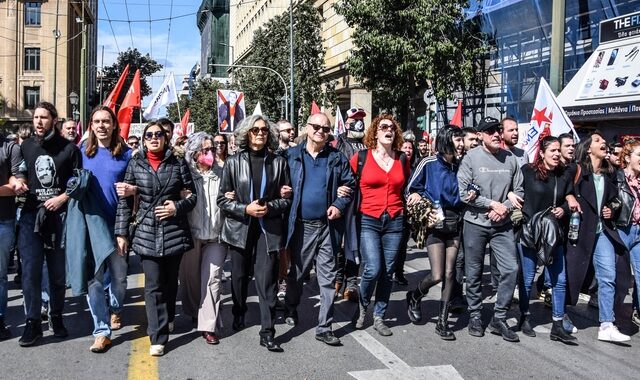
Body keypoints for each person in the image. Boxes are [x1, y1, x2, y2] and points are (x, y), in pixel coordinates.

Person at [115, 122, 197, 356]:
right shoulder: (135, 163)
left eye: (158, 134)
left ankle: (169, 315)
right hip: (146, 233)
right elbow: (125, 202)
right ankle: (157, 336)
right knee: (153, 285)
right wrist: (121, 233)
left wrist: (177, 207)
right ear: (143, 140)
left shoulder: (178, 162)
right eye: (149, 135)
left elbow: (192, 196)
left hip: (173, 232)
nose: (153, 138)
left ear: (165, 138)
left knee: (170, 283)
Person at [217, 115, 291, 352]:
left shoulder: (279, 162)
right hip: (240, 228)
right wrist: (244, 208)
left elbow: (286, 200)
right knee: (239, 277)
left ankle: (267, 331)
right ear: (246, 134)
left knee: (267, 279)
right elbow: (222, 199)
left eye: (264, 130)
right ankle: (239, 312)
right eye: (254, 130)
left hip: (267, 230)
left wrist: (270, 208)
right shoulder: (233, 162)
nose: (260, 133)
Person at [280, 113, 355, 346]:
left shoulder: (337, 158)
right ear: (307, 128)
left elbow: (349, 184)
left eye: (326, 128)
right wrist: (282, 191)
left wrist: (339, 204)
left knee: (327, 278)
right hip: (301, 226)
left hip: (328, 227)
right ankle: (291, 308)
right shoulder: (290, 156)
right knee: (297, 275)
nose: (321, 131)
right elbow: (277, 182)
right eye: (316, 126)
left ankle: (324, 327)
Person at [18, 101, 82, 347]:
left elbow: (79, 180)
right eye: (36, 117)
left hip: (60, 219)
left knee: (57, 276)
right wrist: (20, 181)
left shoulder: (69, 149)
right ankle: (32, 323)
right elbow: (21, 170)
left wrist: (63, 197)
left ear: (54, 119)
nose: (39, 122)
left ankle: (56, 317)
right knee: (31, 274)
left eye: (44, 117)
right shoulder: (26, 146)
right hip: (30, 217)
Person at [457, 116, 524, 342]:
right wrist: (490, 204)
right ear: (481, 136)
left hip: (502, 225)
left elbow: (520, 191)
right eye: (490, 131)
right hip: (475, 223)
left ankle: (499, 317)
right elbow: (463, 192)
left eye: (498, 130)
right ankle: (475, 314)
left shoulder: (510, 160)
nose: (495, 134)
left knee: (511, 269)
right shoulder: (471, 158)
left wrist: (503, 207)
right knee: (473, 272)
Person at [72, 106, 132, 353]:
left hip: (117, 224)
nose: (101, 125)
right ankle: (101, 331)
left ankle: (116, 309)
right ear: (91, 126)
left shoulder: (127, 154)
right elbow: (70, 182)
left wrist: (133, 190)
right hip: (91, 226)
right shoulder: (80, 152)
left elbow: (135, 188)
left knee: (118, 277)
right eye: (96, 121)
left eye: (106, 121)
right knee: (94, 281)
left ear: (114, 125)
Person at [566, 131, 630, 343]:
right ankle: (561, 314)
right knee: (572, 275)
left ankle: (606, 324)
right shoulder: (575, 171)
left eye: (603, 141)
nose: (603, 143)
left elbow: (616, 200)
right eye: (598, 141)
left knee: (608, 275)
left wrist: (612, 208)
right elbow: (563, 194)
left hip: (603, 231)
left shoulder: (609, 173)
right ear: (587, 148)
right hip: (579, 231)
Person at [351, 114, 410, 337]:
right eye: (383, 127)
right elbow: (347, 179)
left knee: (388, 271)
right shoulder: (362, 157)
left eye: (392, 128)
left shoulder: (402, 159)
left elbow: (408, 186)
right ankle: (363, 305)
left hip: (395, 219)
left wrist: (413, 196)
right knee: (373, 268)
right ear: (375, 132)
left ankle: (379, 316)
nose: (388, 130)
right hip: (369, 218)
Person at [405, 125, 464, 340]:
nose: (461, 143)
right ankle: (415, 295)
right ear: (446, 140)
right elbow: (411, 188)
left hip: (455, 223)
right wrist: (418, 197)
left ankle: (442, 321)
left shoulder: (461, 165)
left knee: (450, 274)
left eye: (461, 140)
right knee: (438, 274)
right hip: (434, 223)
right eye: (457, 139)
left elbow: (469, 187)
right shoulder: (428, 163)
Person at [516, 136, 577, 344]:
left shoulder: (564, 175)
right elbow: (515, 193)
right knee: (527, 279)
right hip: (530, 233)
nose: (557, 154)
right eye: (552, 150)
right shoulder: (527, 172)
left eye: (559, 150)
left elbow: (570, 198)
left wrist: (564, 208)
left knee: (559, 281)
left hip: (553, 234)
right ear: (542, 153)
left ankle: (557, 325)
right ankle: (524, 317)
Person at [179, 132, 228, 345]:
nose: (210, 153)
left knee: (213, 278)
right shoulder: (186, 176)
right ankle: (193, 310)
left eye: (212, 149)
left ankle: (208, 325)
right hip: (191, 235)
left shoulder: (224, 174)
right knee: (191, 279)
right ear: (194, 152)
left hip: (216, 236)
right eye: (205, 150)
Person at [333, 107, 367, 301]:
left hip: (362, 202)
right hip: (342, 201)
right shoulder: (338, 144)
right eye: (355, 119)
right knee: (339, 241)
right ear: (347, 123)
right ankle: (338, 277)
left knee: (357, 243)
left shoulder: (368, 145)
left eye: (362, 118)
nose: (359, 121)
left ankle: (352, 282)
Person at [0, 130, 27, 340]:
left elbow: (18, 185)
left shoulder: (10, 148)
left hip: (4, 219)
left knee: (0, 276)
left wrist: (12, 184)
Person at [615, 139, 640, 326]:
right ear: (628, 157)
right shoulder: (617, 177)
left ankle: (637, 311)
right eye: (639, 155)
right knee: (620, 276)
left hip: (639, 231)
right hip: (623, 229)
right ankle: (610, 315)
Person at [393, 140, 417, 285]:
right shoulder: (394, 165)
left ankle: (399, 272)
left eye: (410, 148)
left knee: (402, 244)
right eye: (405, 147)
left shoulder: (416, 167)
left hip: (408, 211)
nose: (408, 150)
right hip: (396, 209)